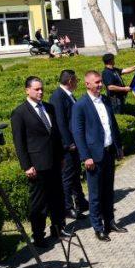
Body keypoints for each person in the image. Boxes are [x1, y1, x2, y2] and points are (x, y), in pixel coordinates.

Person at [10, 76, 65, 248]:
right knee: (39, 203)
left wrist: (61, 156)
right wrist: (26, 166)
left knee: (57, 197)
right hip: (37, 164)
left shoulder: (49, 107)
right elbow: (19, 143)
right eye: (36, 89)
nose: (40, 92)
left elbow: (55, 134)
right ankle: (39, 235)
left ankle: (58, 228)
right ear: (27, 90)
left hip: (54, 161)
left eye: (42, 89)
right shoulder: (20, 112)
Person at [71, 70, 125, 242]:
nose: (100, 84)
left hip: (108, 152)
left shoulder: (106, 100)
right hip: (93, 157)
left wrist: (118, 146)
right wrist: (85, 156)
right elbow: (78, 133)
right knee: (95, 195)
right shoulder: (80, 105)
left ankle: (110, 222)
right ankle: (98, 227)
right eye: (96, 82)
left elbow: (112, 125)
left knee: (109, 191)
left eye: (101, 81)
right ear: (87, 84)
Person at [49, 70, 89, 220]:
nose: (78, 82)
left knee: (75, 174)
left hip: (75, 142)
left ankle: (81, 201)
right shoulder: (58, 96)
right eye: (76, 80)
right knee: (67, 177)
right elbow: (60, 123)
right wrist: (68, 143)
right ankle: (68, 207)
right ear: (70, 81)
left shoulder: (68, 95)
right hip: (68, 145)